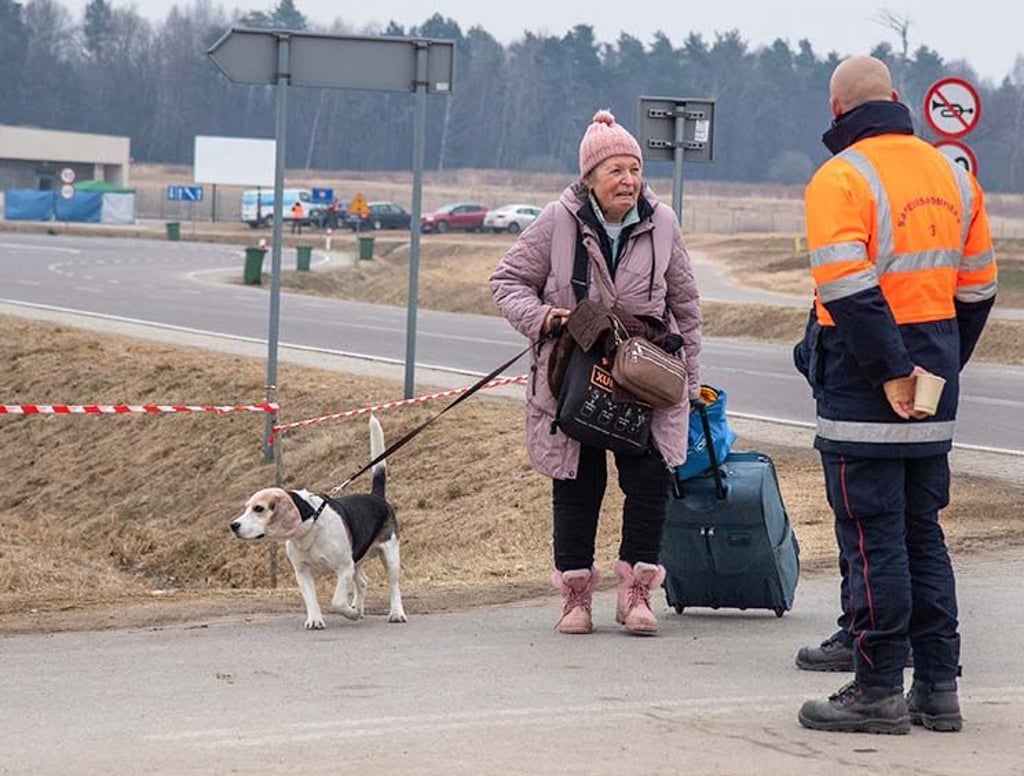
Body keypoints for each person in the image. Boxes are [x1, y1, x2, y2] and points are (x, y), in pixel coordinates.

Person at [792, 56, 997, 734]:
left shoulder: (841, 177)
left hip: (863, 388)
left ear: (836, 109)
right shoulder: (955, 178)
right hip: (933, 385)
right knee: (922, 535)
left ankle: (877, 686)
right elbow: (978, 291)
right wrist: (937, 366)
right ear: (897, 99)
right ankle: (938, 688)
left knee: (872, 535)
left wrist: (889, 372)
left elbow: (848, 290)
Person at [489, 110, 702, 636]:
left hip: (646, 376)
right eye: (616, 171)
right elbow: (507, 282)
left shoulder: (664, 222)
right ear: (590, 178)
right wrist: (544, 317)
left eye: (635, 169)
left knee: (649, 481)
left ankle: (636, 595)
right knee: (577, 483)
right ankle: (576, 600)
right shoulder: (557, 220)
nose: (629, 181)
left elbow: (686, 306)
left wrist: (691, 382)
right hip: (573, 374)